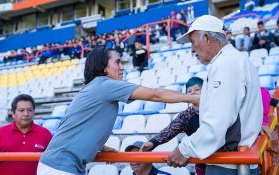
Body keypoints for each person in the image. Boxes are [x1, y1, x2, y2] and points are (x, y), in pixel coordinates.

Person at [37, 47, 199, 175]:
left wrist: (99, 147)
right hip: (60, 167)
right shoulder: (105, 84)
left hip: (62, 165)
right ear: (103, 67)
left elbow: (76, 126)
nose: (122, 67)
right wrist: (194, 98)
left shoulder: (96, 87)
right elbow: (154, 94)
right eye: (117, 62)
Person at [171, 15, 262, 174]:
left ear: (206, 38)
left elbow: (216, 124)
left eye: (193, 42)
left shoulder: (226, 63)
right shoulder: (235, 59)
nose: (192, 49)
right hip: (238, 161)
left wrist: (184, 149)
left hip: (230, 164)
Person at [141, 77, 205, 175]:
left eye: (197, 90)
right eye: (189, 91)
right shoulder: (186, 115)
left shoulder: (214, 109)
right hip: (202, 163)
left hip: (223, 157)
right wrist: (152, 142)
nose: (193, 93)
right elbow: (170, 130)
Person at [0, 94, 52, 175]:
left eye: (30, 110)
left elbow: (53, 162)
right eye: (21, 110)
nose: (26, 114)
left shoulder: (45, 134)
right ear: (13, 113)